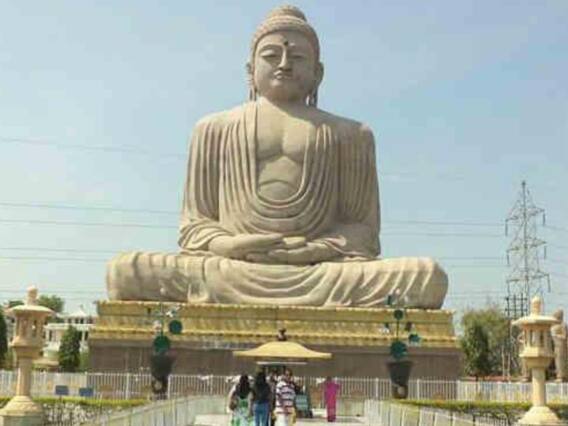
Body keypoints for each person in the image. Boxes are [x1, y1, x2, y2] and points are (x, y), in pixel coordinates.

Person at [107, 5, 449, 310]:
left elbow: (362, 231)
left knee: (427, 276)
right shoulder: (213, 128)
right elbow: (195, 225)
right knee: (126, 271)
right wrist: (231, 244)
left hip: (321, 270)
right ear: (250, 70)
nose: (284, 64)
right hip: (233, 267)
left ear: (318, 73)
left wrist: (314, 250)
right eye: (271, 55)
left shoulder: (352, 134)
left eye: (297, 57)